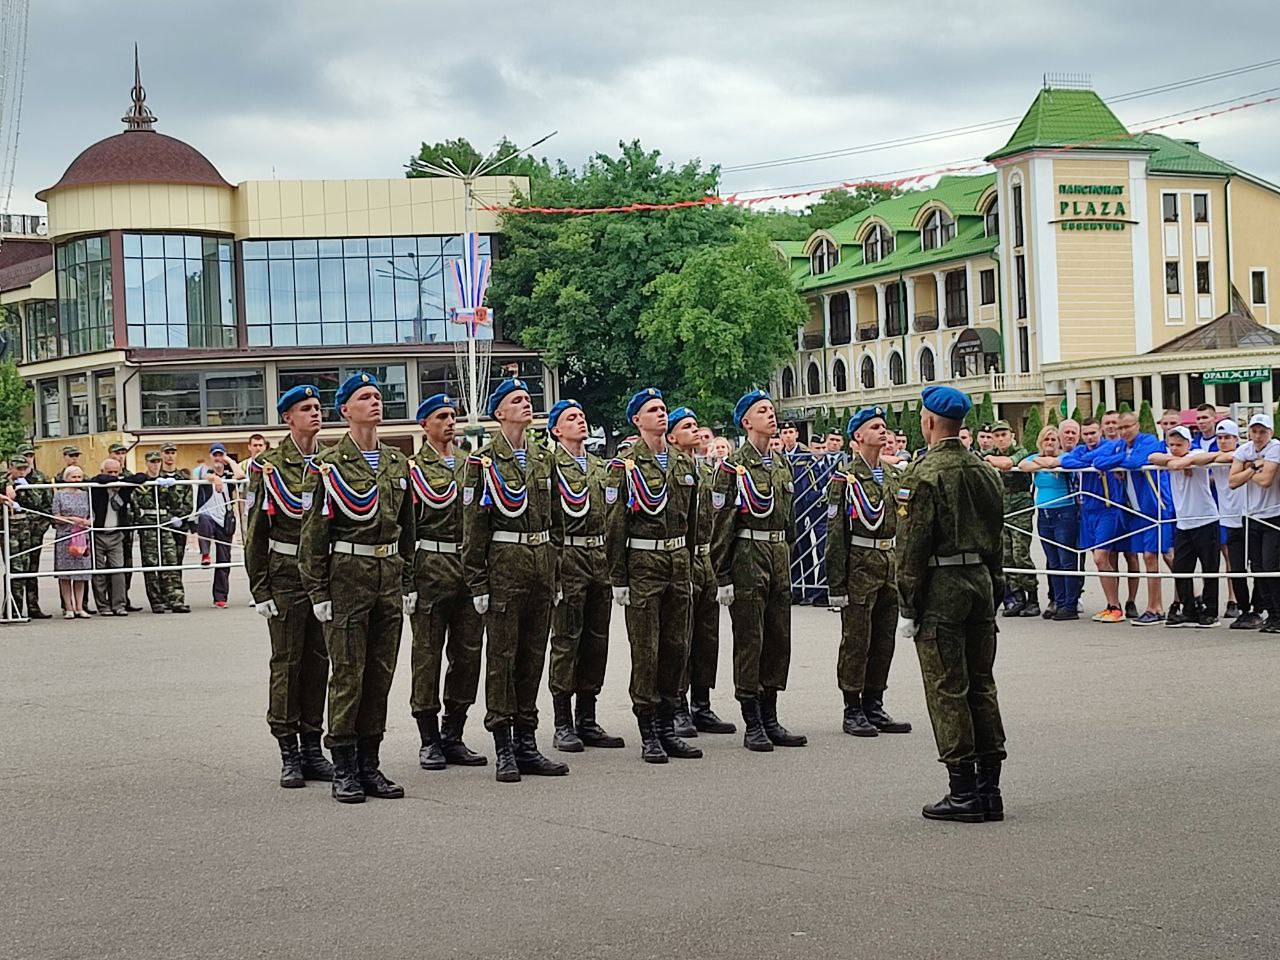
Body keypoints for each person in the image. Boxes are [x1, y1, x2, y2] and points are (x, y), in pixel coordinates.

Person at [300, 371, 415, 803]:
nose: (375, 403)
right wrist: (318, 591)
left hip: (387, 576)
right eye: (364, 397)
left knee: (381, 674)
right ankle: (343, 766)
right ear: (345, 409)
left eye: (378, 396)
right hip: (348, 575)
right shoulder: (329, 464)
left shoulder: (396, 461)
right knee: (348, 674)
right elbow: (313, 535)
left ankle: (371, 763)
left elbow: (408, 528)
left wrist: (407, 579)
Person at [895, 385, 1007, 824]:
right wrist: (994, 585)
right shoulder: (986, 471)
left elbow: (912, 548)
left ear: (927, 422)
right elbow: (997, 539)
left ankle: (962, 791)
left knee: (947, 688)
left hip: (942, 587)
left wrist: (907, 603)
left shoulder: (923, 475)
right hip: (980, 580)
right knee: (982, 684)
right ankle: (989, 789)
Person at [462, 377, 567, 782]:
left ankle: (527, 741)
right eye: (516, 400)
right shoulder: (483, 461)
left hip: (540, 565)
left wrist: (554, 570)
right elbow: (474, 527)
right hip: (504, 567)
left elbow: (555, 521)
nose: (526, 404)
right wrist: (478, 582)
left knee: (532, 658)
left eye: (528, 398)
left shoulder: (543, 459)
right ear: (499, 412)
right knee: (502, 660)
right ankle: (503, 744)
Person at [245, 384, 336, 789]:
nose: (314, 414)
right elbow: (254, 533)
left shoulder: (332, 461)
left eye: (317, 407)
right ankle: (288, 750)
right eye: (305, 408)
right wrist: (260, 588)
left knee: (319, 662)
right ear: (288, 418)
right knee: (288, 661)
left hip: (325, 573)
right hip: (284, 571)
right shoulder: (267, 467)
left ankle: (313, 746)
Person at [604, 388, 701, 763]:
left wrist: (690, 564)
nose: (661, 415)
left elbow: (694, 520)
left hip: (677, 562)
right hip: (643, 564)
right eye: (652, 410)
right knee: (647, 650)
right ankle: (648, 731)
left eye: (663, 409)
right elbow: (615, 526)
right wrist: (620, 578)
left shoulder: (682, 463)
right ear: (636, 420)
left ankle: (667, 725)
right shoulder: (624, 466)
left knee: (677, 648)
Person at [711, 389, 806, 752]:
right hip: (748, 555)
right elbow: (721, 525)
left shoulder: (781, 464)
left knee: (779, 639)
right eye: (762, 411)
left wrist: (788, 555)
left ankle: (771, 715)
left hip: (778, 553)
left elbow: (790, 518)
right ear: (746, 422)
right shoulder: (731, 467)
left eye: (772, 409)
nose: (772, 415)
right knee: (751, 640)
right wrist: (722, 575)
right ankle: (752, 719)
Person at [405, 393, 490, 770]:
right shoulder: (413, 469)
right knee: (427, 654)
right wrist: (406, 581)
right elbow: (404, 529)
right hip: (430, 565)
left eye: (452, 416)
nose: (450, 422)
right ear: (425, 426)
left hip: (468, 567)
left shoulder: (471, 465)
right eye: (441, 417)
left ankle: (454, 733)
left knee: (468, 654)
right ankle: (428, 739)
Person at [826, 406, 912, 738]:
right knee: (857, 640)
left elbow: (903, 525)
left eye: (884, 427)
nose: (883, 432)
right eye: (875, 427)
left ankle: (874, 703)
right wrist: (837, 584)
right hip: (859, 564)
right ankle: (852, 708)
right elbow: (835, 533)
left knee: (883, 638)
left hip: (887, 563)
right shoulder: (845, 478)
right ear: (858, 436)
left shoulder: (894, 476)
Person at [546, 398, 625, 753]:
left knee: (597, 639)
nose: (580, 421)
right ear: (556, 430)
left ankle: (587, 718)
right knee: (566, 639)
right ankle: (562, 722)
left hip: (598, 555)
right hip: (569, 555)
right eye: (570, 418)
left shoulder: (599, 467)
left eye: (581, 415)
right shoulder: (551, 466)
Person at [667, 405, 736, 737]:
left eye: (697, 426)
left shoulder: (708, 471)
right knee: (682, 635)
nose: (696, 431)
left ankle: (702, 704)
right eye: (688, 426)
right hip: (683, 556)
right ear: (672, 436)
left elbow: (720, 520)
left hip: (707, 558)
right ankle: (678, 706)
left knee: (707, 637)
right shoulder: (669, 468)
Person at [1106, 412, 1174, 625]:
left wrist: (1119, 463)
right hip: (1135, 511)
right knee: (1155, 556)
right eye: (1121, 428)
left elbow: (1136, 461)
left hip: (1154, 508)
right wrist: (1119, 462)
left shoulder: (1148, 441)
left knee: (1155, 556)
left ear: (1137, 425)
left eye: (1128, 426)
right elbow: (1099, 460)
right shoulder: (1119, 446)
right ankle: (1179, 598)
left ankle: (1157, 607)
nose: (1125, 431)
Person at [1150, 426, 1220, 627]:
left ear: (1188, 444)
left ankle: (1211, 610)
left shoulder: (1196, 453)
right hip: (1183, 522)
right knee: (1181, 568)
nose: (1174, 448)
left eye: (1179, 445)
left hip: (1206, 519)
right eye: (1171, 444)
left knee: (1210, 568)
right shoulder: (1169, 457)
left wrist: (1186, 461)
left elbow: (1209, 457)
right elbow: (1153, 457)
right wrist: (1175, 461)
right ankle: (1189, 609)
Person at [1061, 419, 1129, 622]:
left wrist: (1094, 460)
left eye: (1093, 433)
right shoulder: (1081, 450)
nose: (1090, 437)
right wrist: (1092, 461)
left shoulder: (1109, 446)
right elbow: (1066, 461)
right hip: (1087, 509)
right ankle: (1111, 605)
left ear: (1100, 432)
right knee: (1099, 561)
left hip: (1106, 508)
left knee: (1101, 557)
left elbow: (1108, 458)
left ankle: (1116, 606)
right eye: (1086, 434)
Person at [1017, 426, 1083, 621]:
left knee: (1066, 561)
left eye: (1053, 439)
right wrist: (1041, 462)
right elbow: (1022, 465)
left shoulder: (1065, 457)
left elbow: (1056, 463)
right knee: (1053, 562)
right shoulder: (1034, 457)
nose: (1050, 443)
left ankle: (1070, 604)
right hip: (1044, 514)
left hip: (1064, 512)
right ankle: (1058, 601)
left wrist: (1044, 463)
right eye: (1046, 440)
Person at [1228, 413, 1280, 634]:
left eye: (1263, 431)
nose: (1258, 436)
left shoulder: (1275, 447)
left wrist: (1250, 471)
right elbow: (1232, 482)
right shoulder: (1244, 449)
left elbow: (1267, 480)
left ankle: (1278, 614)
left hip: (1273, 514)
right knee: (1257, 568)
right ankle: (1270, 614)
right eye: (1254, 431)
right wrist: (1252, 468)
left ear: (1271, 432)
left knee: (1271, 566)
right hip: (1251, 516)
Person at [982, 420, 1039, 617]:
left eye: (1003, 434)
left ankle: (1033, 597)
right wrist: (990, 458)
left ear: (1011, 435)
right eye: (996, 436)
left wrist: (989, 459)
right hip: (1002, 509)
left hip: (1020, 508)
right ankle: (1017, 596)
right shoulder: (992, 455)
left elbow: (1008, 464)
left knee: (1020, 553)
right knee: (1006, 556)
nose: (1000, 438)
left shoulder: (1020, 450)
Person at [88, 458, 150, 616]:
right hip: (98, 534)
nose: (113, 475)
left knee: (118, 572)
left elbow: (141, 477)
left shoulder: (124, 487)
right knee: (99, 572)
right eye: (110, 472)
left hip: (116, 534)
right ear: (102, 471)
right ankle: (103, 606)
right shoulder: (96, 486)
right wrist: (112, 481)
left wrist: (121, 482)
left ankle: (119, 605)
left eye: (116, 472)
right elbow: (99, 479)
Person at [1210, 421, 1253, 628]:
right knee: (1236, 568)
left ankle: (1263, 607)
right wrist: (1220, 456)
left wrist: (1232, 456)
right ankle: (1245, 608)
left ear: (1237, 439)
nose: (1223, 441)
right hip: (1228, 520)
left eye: (1228, 437)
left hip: (1250, 516)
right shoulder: (1220, 456)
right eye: (1220, 437)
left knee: (1261, 565)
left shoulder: (1244, 452)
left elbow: (1232, 456)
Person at [195, 443, 244, 607]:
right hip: (208, 517)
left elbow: (241, 475)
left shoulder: (229, 474)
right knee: (204, 520)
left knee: (224, 560)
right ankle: (205, 554)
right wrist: (215, 478)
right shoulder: (204, 470)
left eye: (220, 455)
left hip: (224, 519)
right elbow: (203, 476)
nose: (217, 458)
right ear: (210, 456)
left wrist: (229, 460)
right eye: (215, 455)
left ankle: (220, 597)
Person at [128, 452, 173, 613]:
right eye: (152, 462)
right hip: (148, 523)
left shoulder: (166, 480)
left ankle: (172, 598)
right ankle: (156, 600)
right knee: (151, 563)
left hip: (165, 521)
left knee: (169, 562)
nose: (156, 465)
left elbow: (174, 502)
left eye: (158, 461)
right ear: (147, 462)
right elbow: (137, 502)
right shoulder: (142, 481)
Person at [50, 464, 93, 619]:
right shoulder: (59, 495)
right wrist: (71, 519)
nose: (77, 480)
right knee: (65, 575)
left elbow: (92, 514)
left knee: (81, 575)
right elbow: (55, 516)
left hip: (82, 536)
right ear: (66, 478)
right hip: (65, 536)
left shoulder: (85, 494)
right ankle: (68, 607)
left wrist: (88, 522)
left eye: (79, 477)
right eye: (73, 477)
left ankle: (79, 607)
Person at [17, 445, 53, 619]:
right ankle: (14, 608)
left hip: (36, 529)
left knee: (33, 569)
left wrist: (43, 526)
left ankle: (33, 606)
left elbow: (47, 504)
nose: (28, 459)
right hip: (16, 531)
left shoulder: (41, 477)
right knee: (16, 569)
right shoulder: (10, 479)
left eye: (30, 455)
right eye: (25, 456)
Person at [156, 442, 192, 613]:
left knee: (177, 560)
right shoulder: (157, 477)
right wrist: (167, 517)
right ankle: (169, 597)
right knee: (165, 561)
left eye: (172, 452)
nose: (169, 456)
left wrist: (180, 516)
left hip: (180, 525)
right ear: (161, 454)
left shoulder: (183, 478)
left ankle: (174, 596)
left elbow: (189, 502)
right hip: (163, 524)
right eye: (166, 452)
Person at [107, 441, 143, 613]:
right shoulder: (107, 473)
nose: (120, 456)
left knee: (127, 564)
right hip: (111, 527)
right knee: (109, 567)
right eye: (117, 453)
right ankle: (109, 600)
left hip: (127, 526)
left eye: (122, 453)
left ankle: (123, 598)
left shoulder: (128, 474)